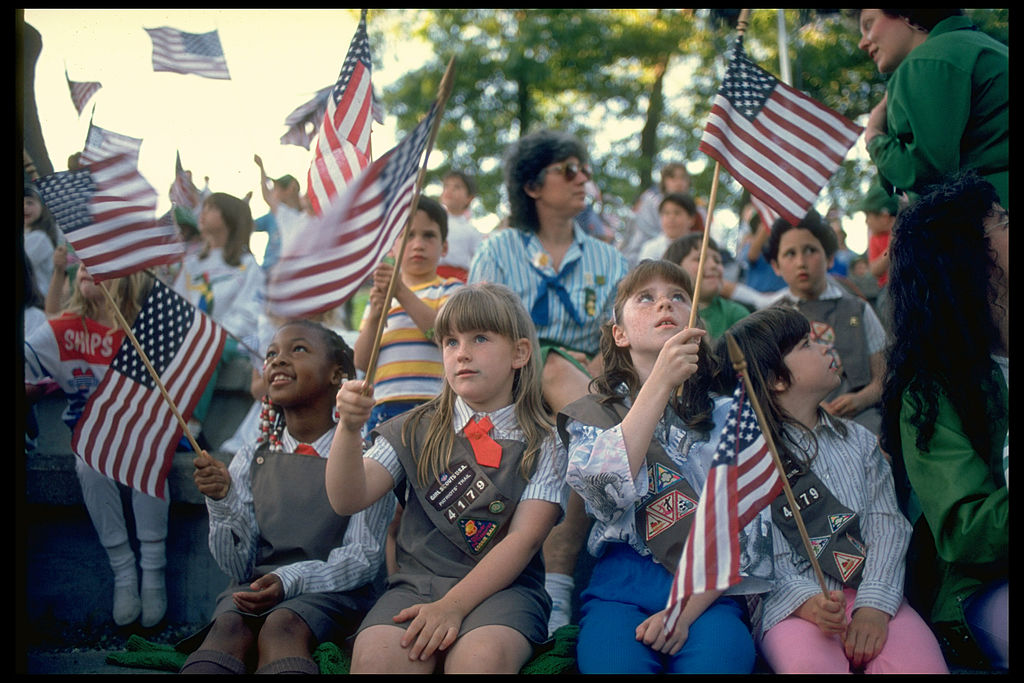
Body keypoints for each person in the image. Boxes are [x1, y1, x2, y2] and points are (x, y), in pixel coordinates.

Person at [326, 283, 568, 673]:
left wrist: (452, 607)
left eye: (480, 338)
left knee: (480, 661)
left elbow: (524, 540)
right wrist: (348, 430)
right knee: (377, 661)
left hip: (504, 592)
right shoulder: (410, 429)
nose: (462, 353)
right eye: (450, 342)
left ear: (520, 353)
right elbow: (347, 498)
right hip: (416, 585)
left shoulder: (546, 442)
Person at [559, 260, 770, 674]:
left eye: (678, 297)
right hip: (620, 589)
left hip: (709, 591)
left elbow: (748, 527)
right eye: (646, 298)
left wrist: (685, 613)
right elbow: (603, 496)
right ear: (618, 333)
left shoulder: (731, 415)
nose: (665, 305)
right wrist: (659, 383)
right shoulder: (589, 416)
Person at [722, 307, 947, 673]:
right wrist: (808, 603)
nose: (826, 345)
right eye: (807, 344)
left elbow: (886, 524)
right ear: (778, 380)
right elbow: (757, 552)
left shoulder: (859, 441)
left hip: (875, 591)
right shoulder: (749, 461)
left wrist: (873, 605)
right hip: (793, 608)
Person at [467, 129, 628, 634]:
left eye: (585, 168)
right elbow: (472, 332)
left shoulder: (608, 259)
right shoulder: (499, 251)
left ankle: (558, 584)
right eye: (569, 170)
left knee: (579, 400)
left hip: (584, 390)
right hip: (507, 384)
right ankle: (561, 574)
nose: (584, 178)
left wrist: (595, 364)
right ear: (533, 186)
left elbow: (620, 341)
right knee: (561, 371)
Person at [179, 320, 393, 674]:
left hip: (330, 594)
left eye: (298, 350)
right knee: (228, 627)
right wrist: (222, 502)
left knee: (282, 626)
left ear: (337, 373)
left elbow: (363, 559)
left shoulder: (367, 460)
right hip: (256, 586)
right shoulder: (251, 456)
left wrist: (291, 580)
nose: (277, 361)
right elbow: (238, 568)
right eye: (271, 355)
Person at [880, 171, 1007, 670]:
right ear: (974, 259)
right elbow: (965, 530)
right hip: (981, 590)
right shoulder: (932, 391)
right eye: (1004, 221)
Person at [23, 265, 166, 628]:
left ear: (128, 277)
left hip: (143, 434)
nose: (84, 268)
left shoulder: (147, 331)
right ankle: (123, 573)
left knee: (148, 451)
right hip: (90, 436)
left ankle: (153, 571)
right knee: (89, 462)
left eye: (97, 263)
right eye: (81, 262)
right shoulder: (61, 329)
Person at [857, 9, 1008, 208]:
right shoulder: (988, 48)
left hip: (990, 225)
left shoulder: (927, 59)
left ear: (904, 13)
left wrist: (874, 137)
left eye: (868, 24)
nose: (862, 43)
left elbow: (928, 174)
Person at [767, 210, 887, 435]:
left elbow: (883, 376)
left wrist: (860, 399)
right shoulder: (772, 319)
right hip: (797, 426)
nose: (801, 262)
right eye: (790, 254)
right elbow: (767, 390)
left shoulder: (857, 309)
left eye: (811, 250)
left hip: (862, 419)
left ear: (830, 257)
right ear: (776, 265)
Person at [353, 196, 463, 434]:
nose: (418, 244)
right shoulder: (381, 298)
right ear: (393, 246)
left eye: (429, 235)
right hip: (383, 406)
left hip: (435, 405)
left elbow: (442, 334)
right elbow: (362, 361)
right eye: (408, 235)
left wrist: (400, 291)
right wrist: (375, 316)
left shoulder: (450, 290)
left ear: (444, 247)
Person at [173, 192, 264, 445]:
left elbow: (248, 314)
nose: (202, 211)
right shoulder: (191, 264)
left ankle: (191, 425)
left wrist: (209, 332)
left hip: (230, 341)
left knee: (207, 342)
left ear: (230, 219)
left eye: (211, 208)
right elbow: (178, 304)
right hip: (193, 338)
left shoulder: (247, 265)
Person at [664, 233, 749, 343]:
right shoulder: (666, 313)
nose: (713, 265)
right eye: (700, 259)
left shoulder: (736, 314)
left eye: (717, 260)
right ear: (675, 268)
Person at [622, 162, 695, 266]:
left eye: (683, 178)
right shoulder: (651, 199)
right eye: (673, 178)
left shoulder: (697, 208)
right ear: (664, 181)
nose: (679, 183)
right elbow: (643, 230)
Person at [252, 155, 309, 273]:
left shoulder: (306, 213)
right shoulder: (283, 213)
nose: (274, 192)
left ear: (291, 189)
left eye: (277, 188)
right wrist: (261, 168)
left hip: (298, 267)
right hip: (279, 269)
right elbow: (266, 195)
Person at [438, 170, 485, 282]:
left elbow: (479, 262)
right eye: (446, 186)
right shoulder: (433, 222)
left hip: (459, 282)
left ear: (469, 198)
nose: (450, 190)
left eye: (457, 187)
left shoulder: (472, 231)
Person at [637, 192, 699, 263]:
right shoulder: (650, 249)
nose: (671, 218)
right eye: (666, 213)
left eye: (677, 213)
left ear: (691, 219)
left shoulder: (701, 247)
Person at [24, 183, 59, 297]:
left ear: (42, 207)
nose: (25, 207)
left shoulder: (39, 238)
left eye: (30, 202)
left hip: (38, 301)